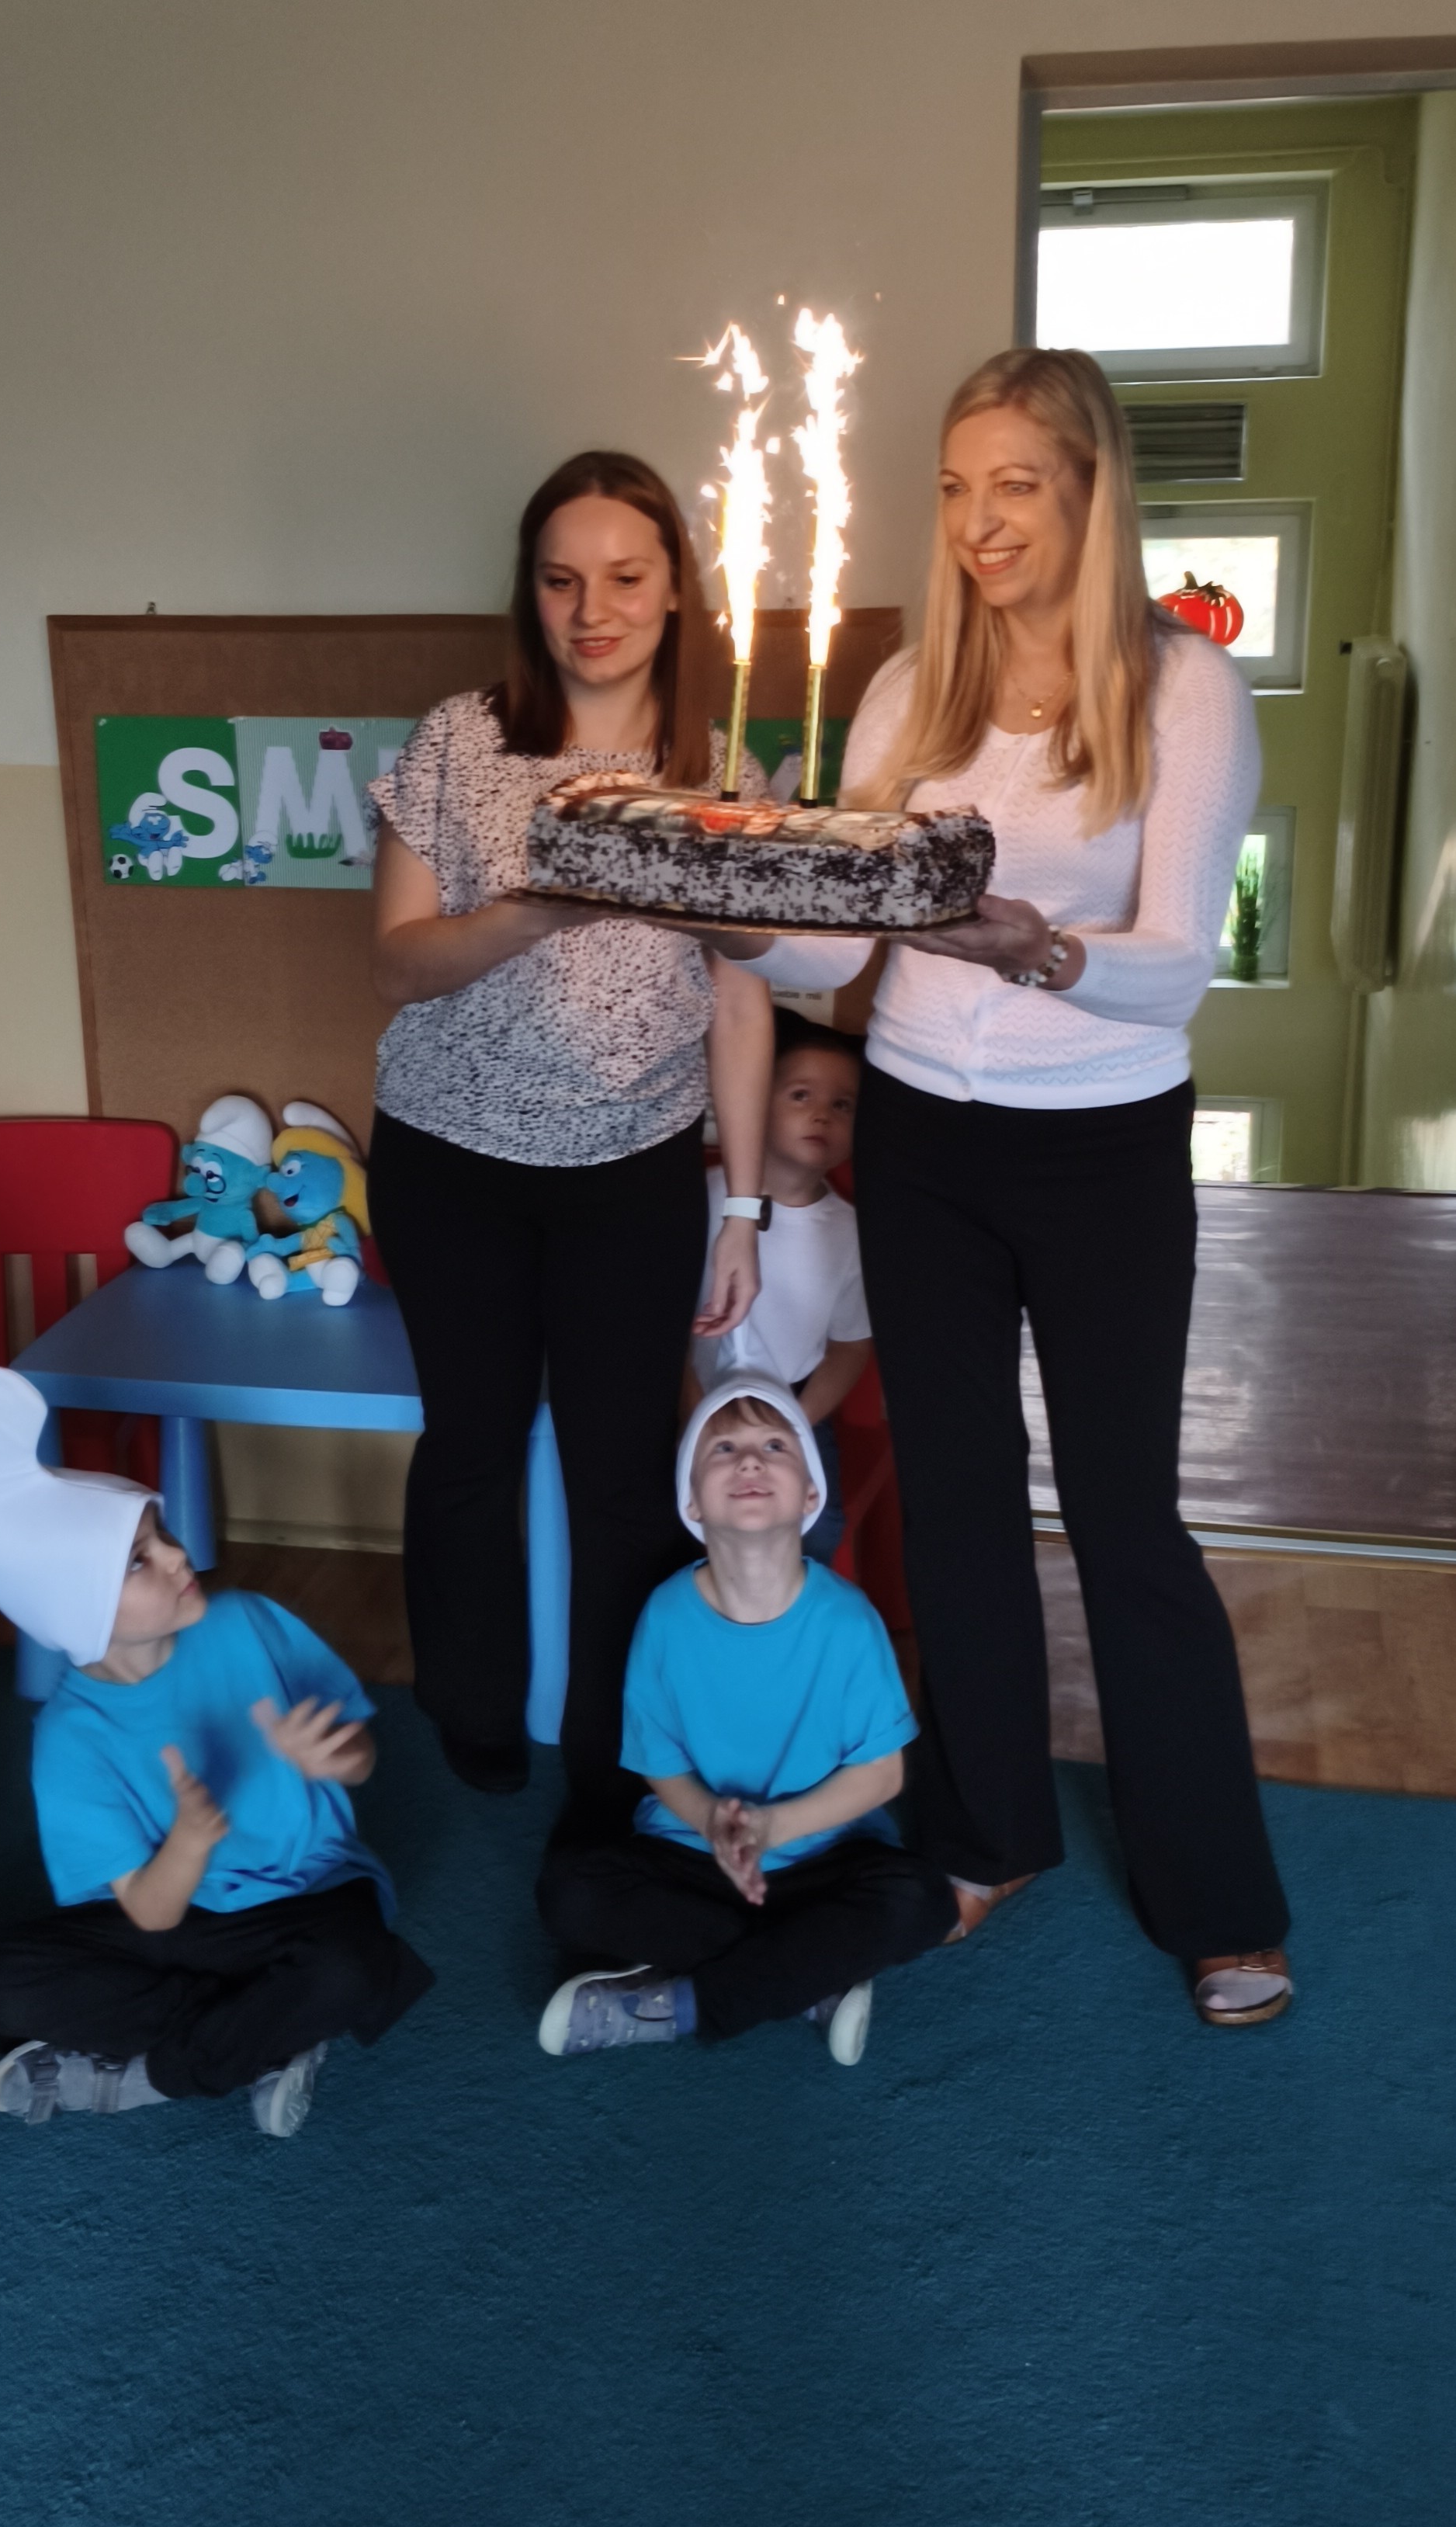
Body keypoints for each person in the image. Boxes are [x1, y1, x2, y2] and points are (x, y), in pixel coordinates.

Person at [741, 345, 1291, 2028]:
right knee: (959, 1498)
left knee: (1125, 1516)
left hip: (1103, 1146)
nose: (980, 521)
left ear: (1089, 490)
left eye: (1016, 486)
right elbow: (836, 950)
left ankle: (1217, 1900)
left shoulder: (1181, 689)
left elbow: (1179, 963)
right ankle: (987, 1834)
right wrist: (741, 901)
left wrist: (1031, 947)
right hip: (922, 1137)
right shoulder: (912, 692)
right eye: (956, 488)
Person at [366, 447, 862, 1807]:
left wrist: (743, 1207)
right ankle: (470, 1711)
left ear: (674, 589)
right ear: (526, 590)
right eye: (561, 580)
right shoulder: (461, 739)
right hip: (448, 1157)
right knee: (469, 1447)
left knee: (626, 1471)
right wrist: (537, 907)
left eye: (626, 578)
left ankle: (617, 1745)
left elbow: (744, 998)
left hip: (631, 1173)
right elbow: (396, 962)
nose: (593, 611)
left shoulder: (716, 767)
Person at [0, 1368, 432, 2139]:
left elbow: (360, 1754)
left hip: (309, 1897)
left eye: (161, 1533)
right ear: (79, 1606)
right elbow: (151, 1912)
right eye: (137, 1559)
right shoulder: (69, 1737)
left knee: (350, 1960)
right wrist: (190, 1839)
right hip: (178, 1926)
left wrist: (339, 1758)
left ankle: (156, 2072)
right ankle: (268, 2030)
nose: (176, 1555)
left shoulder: (249, 1621)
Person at [534, 1379, 951, 2068]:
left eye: (775, 1446)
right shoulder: (665, 1616)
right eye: (723, 1448)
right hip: (695, 1858)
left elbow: (881, 1776)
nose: (750, 1460)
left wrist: (772, 1829)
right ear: (692, 1502)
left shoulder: (848, 1622)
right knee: (569, 1892)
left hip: (821, 1861)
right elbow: (660, 1764)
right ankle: (805, 1978)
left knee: (924, 1902)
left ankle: (678, 2006)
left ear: (810, 1496)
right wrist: (712, 1824)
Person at [691, 1015, 872, 1564]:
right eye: (800, 1095)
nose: (822, 1114)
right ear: (753, 1103)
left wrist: (793, 1424)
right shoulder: (698, 1200)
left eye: (842, 1105)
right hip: (693, 1403)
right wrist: (694, 1417)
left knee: (815, 1534)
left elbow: (849, 1345)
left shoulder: (851, 1232)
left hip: (795, 1409)